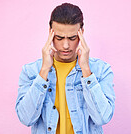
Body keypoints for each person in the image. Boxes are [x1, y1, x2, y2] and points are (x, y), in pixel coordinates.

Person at [15, 3, 115, 134]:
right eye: (59, 38)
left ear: (81, 33)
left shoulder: (101, 70)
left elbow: (103, 118)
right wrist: (44, 70)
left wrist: (85, 69)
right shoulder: (31, 72)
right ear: (50, 32)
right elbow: (25, 119)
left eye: (72, 38)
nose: (66, 45)